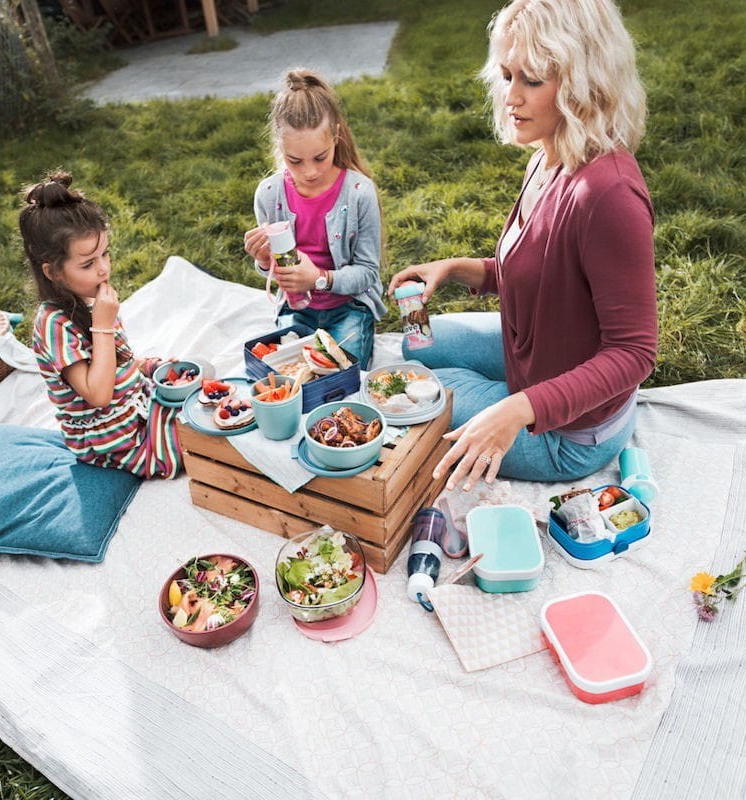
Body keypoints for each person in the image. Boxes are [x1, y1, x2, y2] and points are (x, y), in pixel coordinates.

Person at [388, 0, 657, 491]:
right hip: (534, 359)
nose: (510, 97)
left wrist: (517, 409)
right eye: (506, 75)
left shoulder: (609, 194)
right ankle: (496, 394)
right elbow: (543, 268)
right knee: (413, 342)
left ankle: (503, 404)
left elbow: (634, 351)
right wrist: (453, 268)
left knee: (402, 389)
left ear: (584, 83)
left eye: (531, 80)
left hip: (570, 434)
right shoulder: (549, 153)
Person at [19, 171, 183, 479]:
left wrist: (146, 366)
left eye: (104, 254)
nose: (103, 268)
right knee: (199, 441)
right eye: (87, 263)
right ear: (52, 272)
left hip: (136, 411)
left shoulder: (91, 297)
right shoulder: (53, 324)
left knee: (204, 400)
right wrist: (103, 326)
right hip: (113, 443)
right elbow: (97, 394)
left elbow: (112, 359)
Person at [243, 68, 386, 369]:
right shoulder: (269, 195)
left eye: (320, 157)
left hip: (349, 306)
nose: (309, 171)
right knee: (286, 372)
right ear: (281, 147)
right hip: (298, 308)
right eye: (295, 161)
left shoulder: (359, 193)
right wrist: (264, 261)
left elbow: (367, 273)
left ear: (336, 136)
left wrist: (319, 278)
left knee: (341, 371)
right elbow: (274, 273)